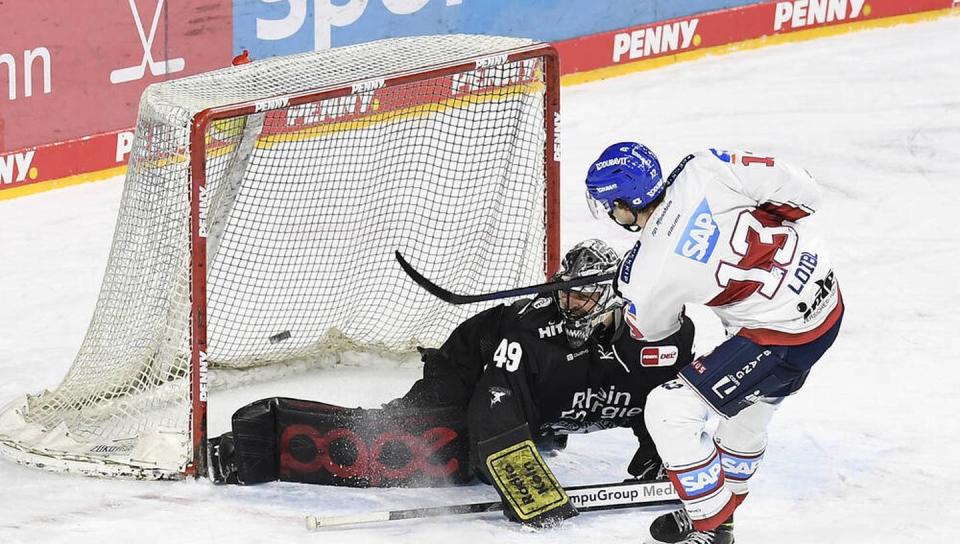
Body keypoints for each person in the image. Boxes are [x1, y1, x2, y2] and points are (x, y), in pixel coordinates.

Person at [584, 143, 843, 544]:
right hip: (825, 297)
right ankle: (719, 516)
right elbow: (806, 194)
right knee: (744, 419)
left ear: (624, 204)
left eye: (609, 205)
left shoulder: (646, 271)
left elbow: (653, 333)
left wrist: (634, 290)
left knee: (669, 410)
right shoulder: (702, 168)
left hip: (782, 334)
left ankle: (709, 524)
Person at [392, 238, 696, 526]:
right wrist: (526, 490)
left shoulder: (661, 333)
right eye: (564, 294)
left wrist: (666, 460)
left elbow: (676, 405)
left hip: (552, 406)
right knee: (448, 452)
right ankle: (395, 418)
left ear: (609, 296)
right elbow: (494, 410)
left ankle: (546, 433)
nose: (569, 305)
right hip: (470, 358)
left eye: (581, 297)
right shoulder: (530, 335)